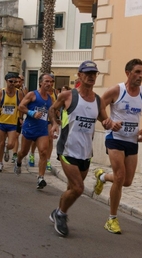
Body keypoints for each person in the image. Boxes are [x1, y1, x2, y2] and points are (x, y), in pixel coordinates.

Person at [48, 61, 120, 237]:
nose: (91, 76)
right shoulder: (67, 96)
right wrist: (55, 124)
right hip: (67, 149)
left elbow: (105, 120)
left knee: (72, 188)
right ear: (79, 75)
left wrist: (112, 124)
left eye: (94, 73)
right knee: (78, 188)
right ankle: (61, 214)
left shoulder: (97, 100)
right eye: (87, 73)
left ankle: (57, 211)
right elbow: (52, 109)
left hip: (86, 153)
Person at [93, 58, 142, 234]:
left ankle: (102, 177)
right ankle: (112, 219)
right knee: (119, 177)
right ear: (128, 73)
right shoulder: (117, 90)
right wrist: (109, 122)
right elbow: (99, 106)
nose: (140, 76)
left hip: (132, 140)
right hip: (115, 137)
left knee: (127, 181)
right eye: (137, 72)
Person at [14, 73, 53, 189]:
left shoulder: (50, 98)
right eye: (46, 81)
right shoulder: (32, 94)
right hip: (29, 128)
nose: (49, 84)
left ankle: (40, 177)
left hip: (42, 130)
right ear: (40, 83)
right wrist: (32, 113)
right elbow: (20, 106)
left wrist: (55, 124)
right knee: (23, 152)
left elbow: (50, 113)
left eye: (51, 82)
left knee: (43, 152)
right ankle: (19, 160)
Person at [0, 73, 23, 172]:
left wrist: (21, 117)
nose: (13, 83)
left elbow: (21, 107)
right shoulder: (1, 93)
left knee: (11, 144)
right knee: (1, 143)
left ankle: (7, 149)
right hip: (1, 121)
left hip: (12, 123)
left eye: (15, 82)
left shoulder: (19, 93)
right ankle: (0, 163)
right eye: (11, 81)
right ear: (6, 81)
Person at [11, 75, 27, 163]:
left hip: (18, 116)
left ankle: (14, 153)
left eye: (21, 80)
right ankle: (9, 147)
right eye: (17, 80)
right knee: (11, 136)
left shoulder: (24, 90)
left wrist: (21, 117)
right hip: (8, 117)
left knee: (16, 135)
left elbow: (23, 104)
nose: (19, 82)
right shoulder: (9, 90)